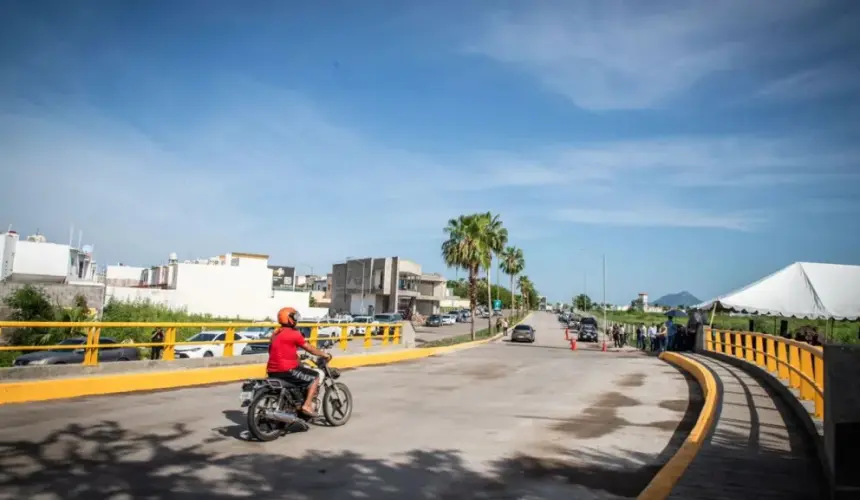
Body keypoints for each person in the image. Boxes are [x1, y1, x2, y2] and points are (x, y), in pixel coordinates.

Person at [266, 307, 332, 418]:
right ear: (289, 319)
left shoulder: (275, 334)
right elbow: (309, 348)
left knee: (300, 375)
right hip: (287, 370)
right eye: (294, 316)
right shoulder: (294, 333)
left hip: (272, 370)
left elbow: (273, 351)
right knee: (314, 377)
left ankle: (293, 405)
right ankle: (307, 405)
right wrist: (324, 354)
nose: (296, 319)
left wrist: (294, 358)